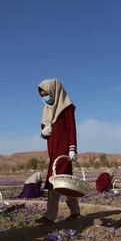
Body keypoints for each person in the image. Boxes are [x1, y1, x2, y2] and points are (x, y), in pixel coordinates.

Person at [36, 79, 81, 225]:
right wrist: (43, 133)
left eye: (47, 94)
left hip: (63, 153)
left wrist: (72, 148)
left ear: (54, 91)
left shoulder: (66, 108)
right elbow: (44, 133)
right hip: (52, 152)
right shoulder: (46, 110)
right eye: (42, 95)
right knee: (64, 183)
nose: (45, 98)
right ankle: (75, 213)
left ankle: (50, 216)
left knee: (56, 183)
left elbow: (72, 129)